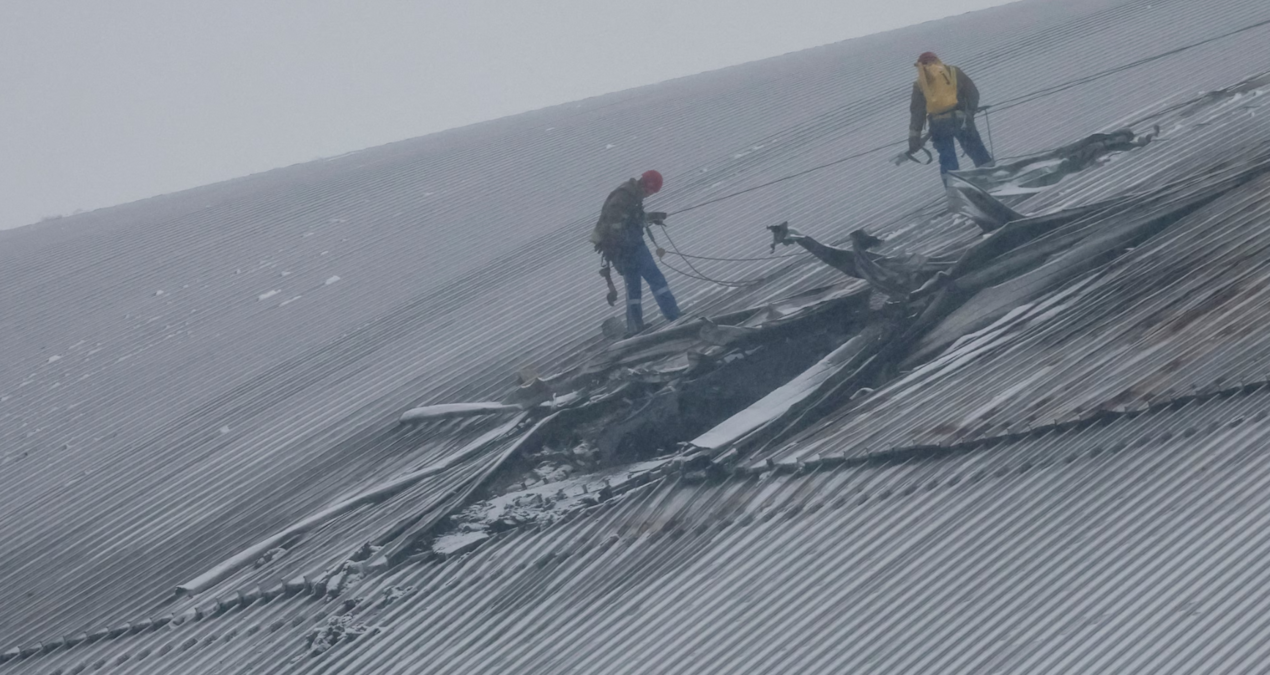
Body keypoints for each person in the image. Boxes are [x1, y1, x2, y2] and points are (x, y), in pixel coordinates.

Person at [590, 170, 681, 336]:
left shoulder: (631, 194)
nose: (651, 194)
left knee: (633, 289)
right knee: (657, 280)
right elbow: (615, 225)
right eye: (652, 190)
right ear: (647, 185)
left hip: (624, 251)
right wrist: (628, 245)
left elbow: (632, 218)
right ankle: (673, 315)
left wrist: (652, 217)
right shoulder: (625, 197)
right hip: (631, 248)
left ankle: (635, 327)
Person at [908, 52, 994, 174]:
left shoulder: (920, 83)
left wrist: (914, 137)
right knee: (976, 149)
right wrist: (969, 112)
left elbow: (917, 111)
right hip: (960, 120)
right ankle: (991, 176)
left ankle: (953, 187)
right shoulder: (953, 72)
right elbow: (972, 93)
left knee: (947, 158)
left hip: (938, 125)